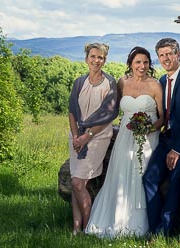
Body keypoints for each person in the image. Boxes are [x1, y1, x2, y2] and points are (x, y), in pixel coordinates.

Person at [85, 46, 164, 238]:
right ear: (130, 64)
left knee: (141, 176)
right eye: (138, 62)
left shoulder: (155, 85)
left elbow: (163, 118)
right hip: (124, 137)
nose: (142, 66)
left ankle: (141, 224)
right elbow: (112, 110)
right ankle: (116, 219)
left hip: (148, 138)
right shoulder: (122, 82)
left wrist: (148, 129)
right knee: (119, 176)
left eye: (145, 62)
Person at [143, 38, 180, 236]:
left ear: (178, 54)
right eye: (162, 55)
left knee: (176, 180)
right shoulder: (162, 81)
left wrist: (177, 150)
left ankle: (164, 231)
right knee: (149, 178)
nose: (165, 58)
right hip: (165, 138)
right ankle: (153, 228)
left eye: (169, 54)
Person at [68, 43, 119, 235]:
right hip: (76, 136)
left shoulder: (110, 83)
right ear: (86, 58)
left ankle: (88, 227)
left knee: (78, 183)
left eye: (101, 58)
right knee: (76, 181)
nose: (96, 60)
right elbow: (72, 111)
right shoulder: (79, 82)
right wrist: (75, 136)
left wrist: (87, 136)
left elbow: (109, 115)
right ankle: (76, 228)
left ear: (105, 60)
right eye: (93, 56)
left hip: (97, 136)